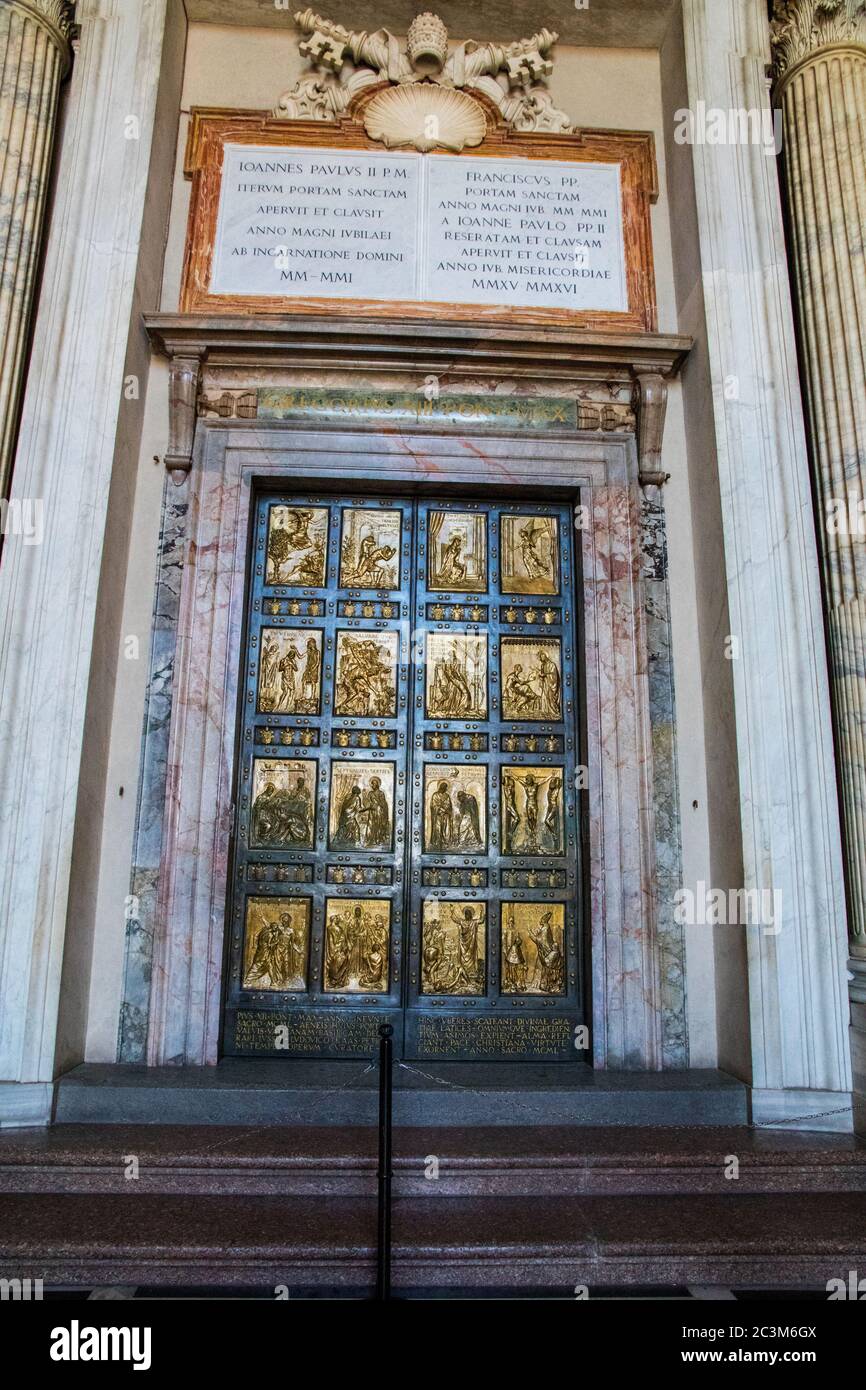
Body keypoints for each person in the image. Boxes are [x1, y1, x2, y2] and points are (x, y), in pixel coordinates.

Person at [362, 775, 390, 848]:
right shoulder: (370, 793)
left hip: (379, 812)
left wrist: (377, 804)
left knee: (378, 825)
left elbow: (383, 803)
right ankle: (371, 840)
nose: (372, 785)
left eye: (374, 783)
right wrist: (364, 796)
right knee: (371, 826)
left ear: (377, 784)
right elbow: (366, 803)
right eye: (372, 783)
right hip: (372, 812)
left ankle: (378, 840)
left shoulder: (381, 793)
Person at [429, 779, 454, 851]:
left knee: (445, 828)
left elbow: (449, 804)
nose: (445, 789)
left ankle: (444, 841)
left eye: (446, 788)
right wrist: (440, 809)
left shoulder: (447, 795)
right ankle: (436, 841)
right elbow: (433, 805)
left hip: (445, 815)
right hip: (437, 815)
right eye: (444, 788)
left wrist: (446, 810)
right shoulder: (435, 795)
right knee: (438, 828)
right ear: (440, 787)